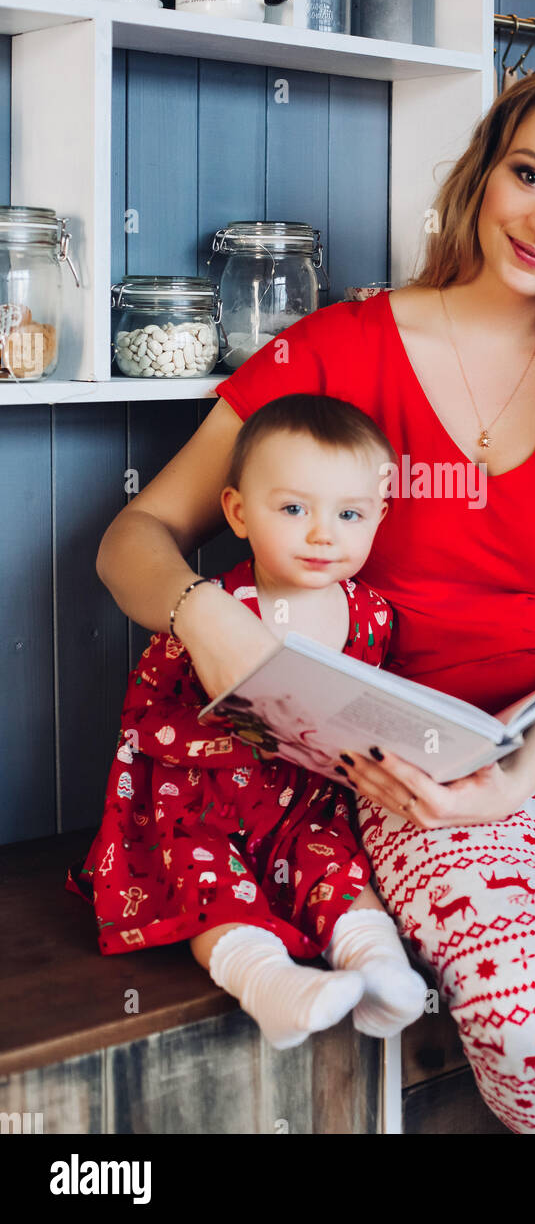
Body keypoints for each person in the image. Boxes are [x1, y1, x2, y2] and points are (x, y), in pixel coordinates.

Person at [92, 66, 535, 1133]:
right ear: (483, 172)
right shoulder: (337, 348)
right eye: (528, 175)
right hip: (424, 755)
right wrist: (198, 611)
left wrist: (522, 779)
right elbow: (136, 534)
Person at [66, 394, 428, 1050]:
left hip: (306, 809)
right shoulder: (220, 610)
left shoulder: (372, 615)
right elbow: (147, 716)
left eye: (350, 514)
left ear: (380, 515)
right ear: (237, 511)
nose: (324, 534)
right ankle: (267, 982)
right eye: (294, 509)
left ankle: (381, 972)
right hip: (202, 807)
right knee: (209, 882)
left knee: (339, 872)